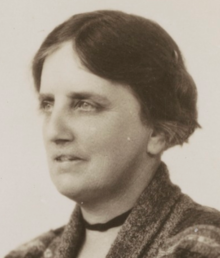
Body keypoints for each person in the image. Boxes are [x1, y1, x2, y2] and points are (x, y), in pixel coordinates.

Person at [6, 10, 220, 258]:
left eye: (84, 104)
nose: (54, 131)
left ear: (158, 131)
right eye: (48, 104)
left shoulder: (204, 246)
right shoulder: (27, 255)